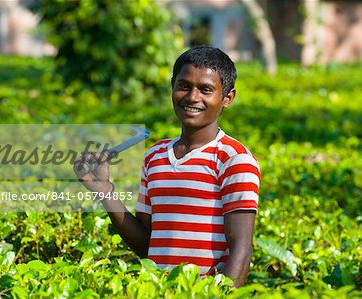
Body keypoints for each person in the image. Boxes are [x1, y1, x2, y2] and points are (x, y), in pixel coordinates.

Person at [74, 46, 260, 288]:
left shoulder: (234, 159)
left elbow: (241, 250)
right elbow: (148, 245)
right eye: (184, 85)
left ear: (227, 98)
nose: (192, 97)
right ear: (172, 86)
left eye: (206, 89)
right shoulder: (155, 156)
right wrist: (105, 193)